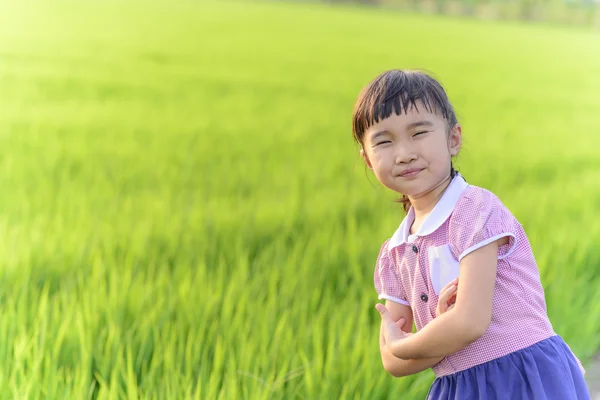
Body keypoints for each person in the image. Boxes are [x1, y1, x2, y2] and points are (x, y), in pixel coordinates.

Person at [352, 69, 590, 399]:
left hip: (522, 376)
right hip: (460, 387)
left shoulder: (474, 210)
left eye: (418, 133)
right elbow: (393, 361)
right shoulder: (395, 252)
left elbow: (469, 323)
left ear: (453, 139)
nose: (404, 153)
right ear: (366, 157)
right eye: (384, 141)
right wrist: (431, 335)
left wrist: (409, 341)